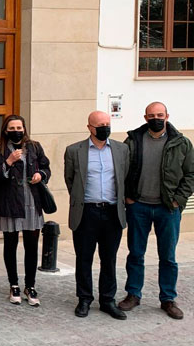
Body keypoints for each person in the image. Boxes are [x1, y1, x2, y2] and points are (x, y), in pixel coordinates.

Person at [118, 102, 194, 320]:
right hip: (139, 206)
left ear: (167, 116)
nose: (156, 118)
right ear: (145, 117)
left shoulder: (181, 143)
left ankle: (168, 298)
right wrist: (127, 196)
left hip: (168, 208)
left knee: (168, 256)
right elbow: (121, 169)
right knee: (136, 253)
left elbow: (191, 174)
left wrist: (178, 200)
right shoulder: (133, 141)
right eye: (151, 115)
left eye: (160, 114)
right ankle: (133, 294)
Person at [64, 110, 129, 320]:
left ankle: (107, 300)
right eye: (100, 125)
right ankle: (84, 298)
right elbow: (70, 181)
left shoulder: (121, 149)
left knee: (108, 258)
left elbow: (124, 177)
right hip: (86, 212)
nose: (105, 128)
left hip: (112, 212)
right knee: (84, 258)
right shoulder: (74, 151)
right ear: (90, 127)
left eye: (107, 124)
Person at [0, 115, 51, 307]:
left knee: (32, 246)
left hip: (32, 201)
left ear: (24, 129)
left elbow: (46, 168)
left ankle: (30, 286)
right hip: (9, 202)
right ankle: (14, 284)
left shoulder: (34, 147)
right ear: (5, 130)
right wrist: (8, 162)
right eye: (12, 127)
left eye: (19, 127)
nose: (16, 130)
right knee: (11, 244)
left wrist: (40, 175)